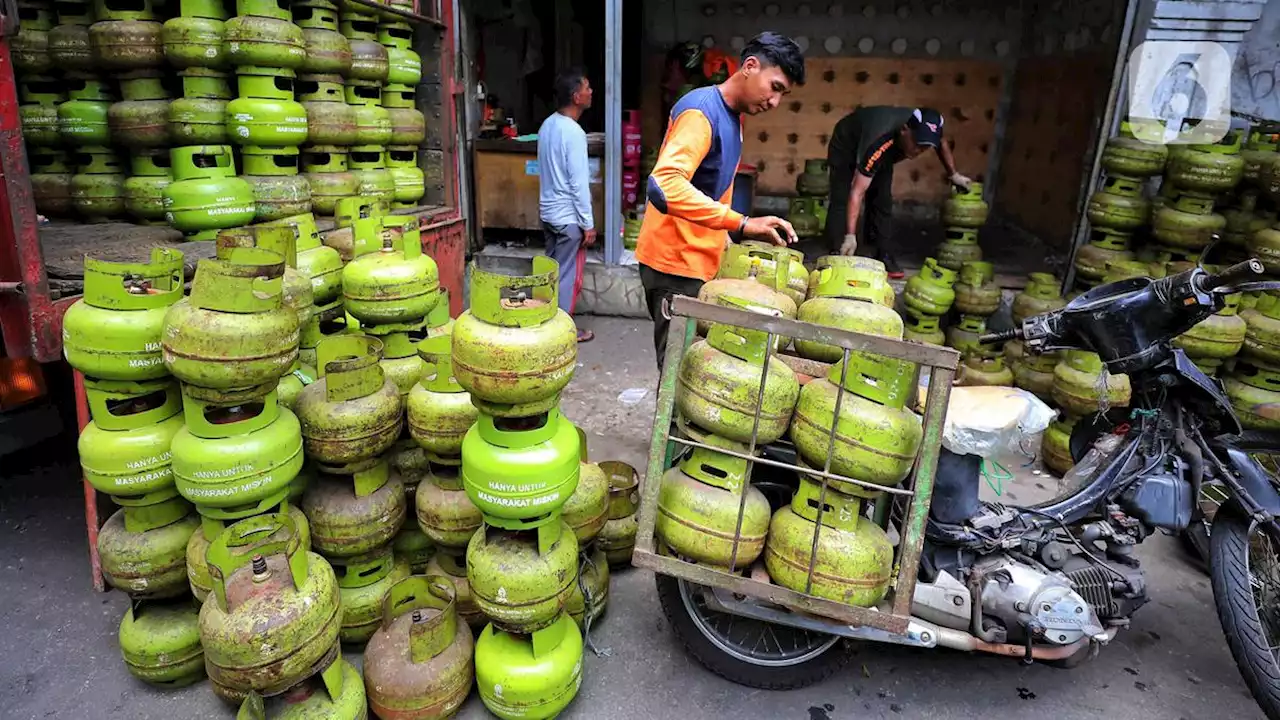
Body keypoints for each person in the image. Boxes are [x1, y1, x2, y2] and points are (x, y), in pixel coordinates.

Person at [635, 32, 806, 371]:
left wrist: (732, 238)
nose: (775, 102)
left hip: (701, 262)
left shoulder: (732, 117)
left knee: (699, 374)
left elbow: (713, 189)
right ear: (750, 66)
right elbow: (664, 185)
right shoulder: (702, 112)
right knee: (679, 375)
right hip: (675, 266)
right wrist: (740, 222)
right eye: (775, 87)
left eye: (783, 94)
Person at [824, 106, 973, 278]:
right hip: (846, 144)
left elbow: (941, 143)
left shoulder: (927, 129)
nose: (918, 151)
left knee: (882, 200)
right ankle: (837, 250)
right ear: (904, 130)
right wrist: (850, 234)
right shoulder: (879, 142)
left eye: (924, 147)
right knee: (842, 196)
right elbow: (857, 192)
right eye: (917, 143)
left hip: (886, 146)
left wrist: (953, 174)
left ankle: (880, 254)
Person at [537, 67, 596, 342]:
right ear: (576, 96)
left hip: (549, 214)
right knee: (566, 278)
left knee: (552, 273)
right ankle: (561, 332)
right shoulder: (573, 133)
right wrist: (588, 224)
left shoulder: (547, 125)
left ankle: (546, 322)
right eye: (587, 88)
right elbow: (578, 184)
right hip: (568, 218)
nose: (591, 91)